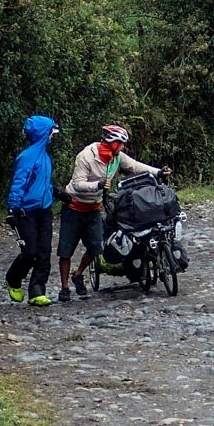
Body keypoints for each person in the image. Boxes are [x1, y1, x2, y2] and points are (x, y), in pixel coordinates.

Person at [57, 124, 170, 302]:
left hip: (93, 208)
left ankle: (78, 274)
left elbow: (134, 166)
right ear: (110, 142)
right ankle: (64, 288)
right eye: (120, 143)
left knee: (96, 248)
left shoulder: (116, 157)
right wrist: (98, 185)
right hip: (74, 206)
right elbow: (78, 184)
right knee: (66, 250)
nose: (122, 147)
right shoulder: (86, 156)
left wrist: (158, 172)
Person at [6, 115, 60, 306]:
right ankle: (13, 278)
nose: (53, 136)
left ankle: (37, 290)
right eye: (51, 132)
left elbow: (42, 184)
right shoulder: (27, 157)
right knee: (30, 252)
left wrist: (58, 195)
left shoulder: (45, 156)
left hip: (44, 211)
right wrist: (13, 208)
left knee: (44, 252)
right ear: (42, 133)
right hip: (26, 211)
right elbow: (19, 182)